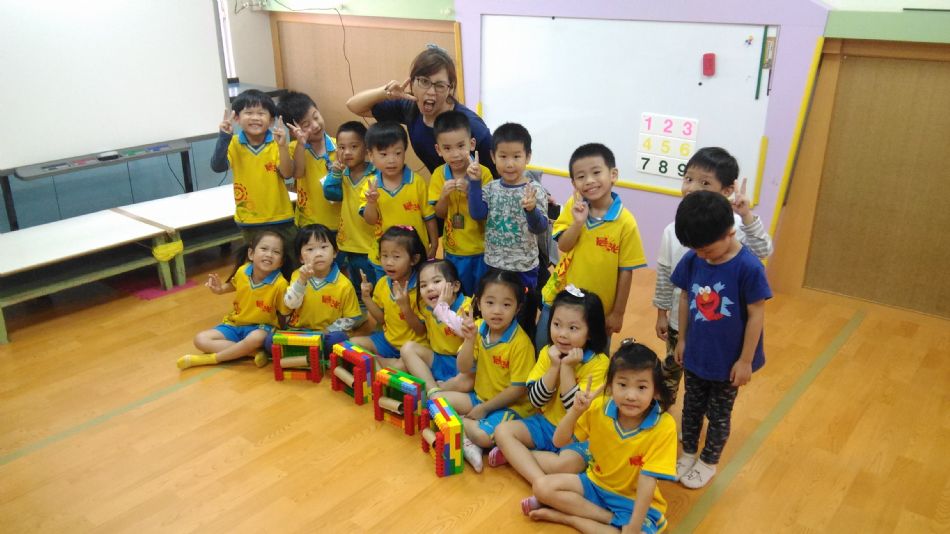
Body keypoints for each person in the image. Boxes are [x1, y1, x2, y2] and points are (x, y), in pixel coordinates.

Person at [653, 147, 773, 402]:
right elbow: (664, 273)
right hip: (680, 321)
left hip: (715, 325)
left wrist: (747, 215)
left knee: (707, 381)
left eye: (705, 183)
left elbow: (763, 250)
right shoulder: (674, 229)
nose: (692, 188)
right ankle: (661, 407)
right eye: (688, 179)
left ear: (727, 190)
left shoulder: (732, 228)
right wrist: (662, 313)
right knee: (672, 366)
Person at [671, 190, 772, 489]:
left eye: (707, 249)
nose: (702, 255)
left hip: (729, 361)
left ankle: (708, 461)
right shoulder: (694, 259)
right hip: (697, 352)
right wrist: (682, 340)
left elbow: (756, 315)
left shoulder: (749, 267)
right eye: (696, 249)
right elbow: (685, 297)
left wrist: (745, 361)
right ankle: (688, 453)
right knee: (691, 407)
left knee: (719, 413)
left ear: (730, 232)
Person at [525, 341, 677, 534]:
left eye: (641, 387)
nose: (631, 395)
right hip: (595, 484)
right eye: (622, 384)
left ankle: (566, 517)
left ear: (655, 391)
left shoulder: (664, 426)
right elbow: (559, 441)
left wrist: (633, 527)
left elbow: (647, 482)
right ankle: (607, 519)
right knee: (541, 487)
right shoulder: (599, 407)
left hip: (631, 501)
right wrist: (575, 411)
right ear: (610, 385)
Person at [489, 286, 610, 487]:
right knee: (502, 431)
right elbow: (536, 400)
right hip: (545, 424)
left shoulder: (600, 363)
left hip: (577, 435)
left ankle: (516, 457)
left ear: (590, 332)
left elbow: (574, 410)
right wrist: (555, 367)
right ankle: (540, 481)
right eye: (556, 324)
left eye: (573, 328)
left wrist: (567, 368)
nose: (562, 334)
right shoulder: (548, 352)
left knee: (566, 465)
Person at [539, 143, 647, 350]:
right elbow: (564, 246)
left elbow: (626, 271)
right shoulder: (573, 206)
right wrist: (578, 223)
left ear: (613, 175)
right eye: (581, 176)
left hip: (599, 310)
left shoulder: (626, 222)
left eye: (596, 172)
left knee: (596, 357)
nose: (589, 180)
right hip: (561, 299)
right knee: (545, 348)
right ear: (574, 183)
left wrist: (618, 313)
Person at [433, 269, 537, 473]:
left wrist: (485, 409)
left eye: (506, 305)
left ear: (517, 308)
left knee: (482, 436)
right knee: (436, 401)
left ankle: (465, 431)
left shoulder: (521, 343)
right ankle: (466, 434)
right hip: (480, 397)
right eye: (490, 303)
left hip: (510, 407)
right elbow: (463, 368)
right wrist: (469, 339)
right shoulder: (479, 327)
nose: (497, 311)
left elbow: (518, 390)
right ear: (479, 304)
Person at [345, 45, 496, 177]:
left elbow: (499, 175)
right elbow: (354, 105)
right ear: (412, 82)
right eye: (424, 81)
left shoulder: (472, 126)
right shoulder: (409, 106)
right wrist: (385, 92)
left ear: (450, 89)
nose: (431, 92)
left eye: (440, 85)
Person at [468, 123, 549, 341]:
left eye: (516, 156)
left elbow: (540, 227)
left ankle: (523, 355)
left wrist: (531, 210)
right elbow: (477, 213)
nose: (510, 163)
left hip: (523, 268)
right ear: (493, 157)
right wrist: (474, 183)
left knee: (522, 320)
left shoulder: (535, 190)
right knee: (495, 315)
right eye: (503, 156)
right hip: (494, 264)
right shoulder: (491, 188)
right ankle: (494, 352)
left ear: (528, 157)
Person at [177, 231, 289, 370]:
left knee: (255, 338)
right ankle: (252, 353)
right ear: (251, 254)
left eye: (276, 252)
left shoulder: (280, 284)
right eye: (264, 249)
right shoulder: (243, 271)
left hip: (261, 328)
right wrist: (220, 289)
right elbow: (234, 284)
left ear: (281, 262)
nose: (269, 254)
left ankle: (212, 359)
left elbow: (284, 313)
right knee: (200, 339)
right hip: (235, 324)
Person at [211, 89, 295, 246]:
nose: (255, 118)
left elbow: (287, 174)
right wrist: (224, 137)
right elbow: (217, 166)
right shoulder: (233, 143)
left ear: (271, 120)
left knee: (289, 257)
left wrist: (283, 146)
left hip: (281, 217)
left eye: (261, 113)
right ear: (237, 118)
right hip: (249, 219)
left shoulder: (277, 143)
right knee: (256, 259)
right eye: (248, 113)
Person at [359, 122, 438, 280]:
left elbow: (429, 216)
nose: (391, 160)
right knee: (385, 292)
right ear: (371, 155)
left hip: (414, 256)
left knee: (416, 290)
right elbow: (370, 220)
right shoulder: (369, 185)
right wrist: (371, 202)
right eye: (383, 154)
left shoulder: (416, 182)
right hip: (384, 258)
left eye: (397, 153)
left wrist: (434, 244)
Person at [428, 111, 493, 295]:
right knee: (457, 293)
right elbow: (440, 213)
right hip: (453, 250)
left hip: (481, 249)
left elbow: (487, 214)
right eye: (447, 148)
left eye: (460, 146)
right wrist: (443, 196)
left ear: (471, 144)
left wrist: (472, 191)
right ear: (438, 150)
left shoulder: (483, 173)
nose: (455, 154)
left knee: (481, 293)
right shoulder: (439, 175)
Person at [349, 226, 428, 371]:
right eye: (384, 256)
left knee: (402, 365)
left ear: (414, 259)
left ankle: (379, 365)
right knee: (352, 344)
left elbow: (420, 331)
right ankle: (384, 365)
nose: (389, 262)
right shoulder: (383, 283)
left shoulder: (421, 288)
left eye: (396, 257)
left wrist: (405, 307)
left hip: (412, 347)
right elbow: (381, 320)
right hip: (387, 342)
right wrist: (366, 298)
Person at [281, 224, 363, 352]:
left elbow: (351, 318)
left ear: (335, 252)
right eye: (310, 249)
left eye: (324, 247)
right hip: (299, 332)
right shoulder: (297, 275)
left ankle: (304, 353)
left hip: (326, 334)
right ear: (301, 258)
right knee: (270, 340)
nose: (318, 254)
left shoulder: (344, 284)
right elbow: (290, 304)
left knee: (338, 339)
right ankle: (310, 352)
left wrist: (327, 331)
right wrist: (301, 281)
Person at [322, 121, 379, 293]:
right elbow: (331, 193)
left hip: (371, 244)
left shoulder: (376, 174)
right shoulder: (341, 174)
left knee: (373, 287)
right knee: (354, 287)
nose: (347, 152)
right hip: (347, 243)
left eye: (354, 146)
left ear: (366, 148)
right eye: (341, 147)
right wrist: (335, 173)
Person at [400, 260, 472, 394]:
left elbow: (465, 332)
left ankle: (441, 389)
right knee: (407, 348)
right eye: (423, 285)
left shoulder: (467, 307)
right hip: (438, 359)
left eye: (437, 281)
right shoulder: (426, 308)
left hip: (461, 367)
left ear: (455, 286)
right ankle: (432, 390)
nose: (429, 288)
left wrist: (442, 308)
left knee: (467, 382)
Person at [278, 91, 340, 238]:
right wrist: (300, 144)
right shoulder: (294, 149)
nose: (316, 125)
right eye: (306, 125)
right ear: (293, 130)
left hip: (339, 222)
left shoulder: (340, 147)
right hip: (308, 224)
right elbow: (295, 173)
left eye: (316, 117)